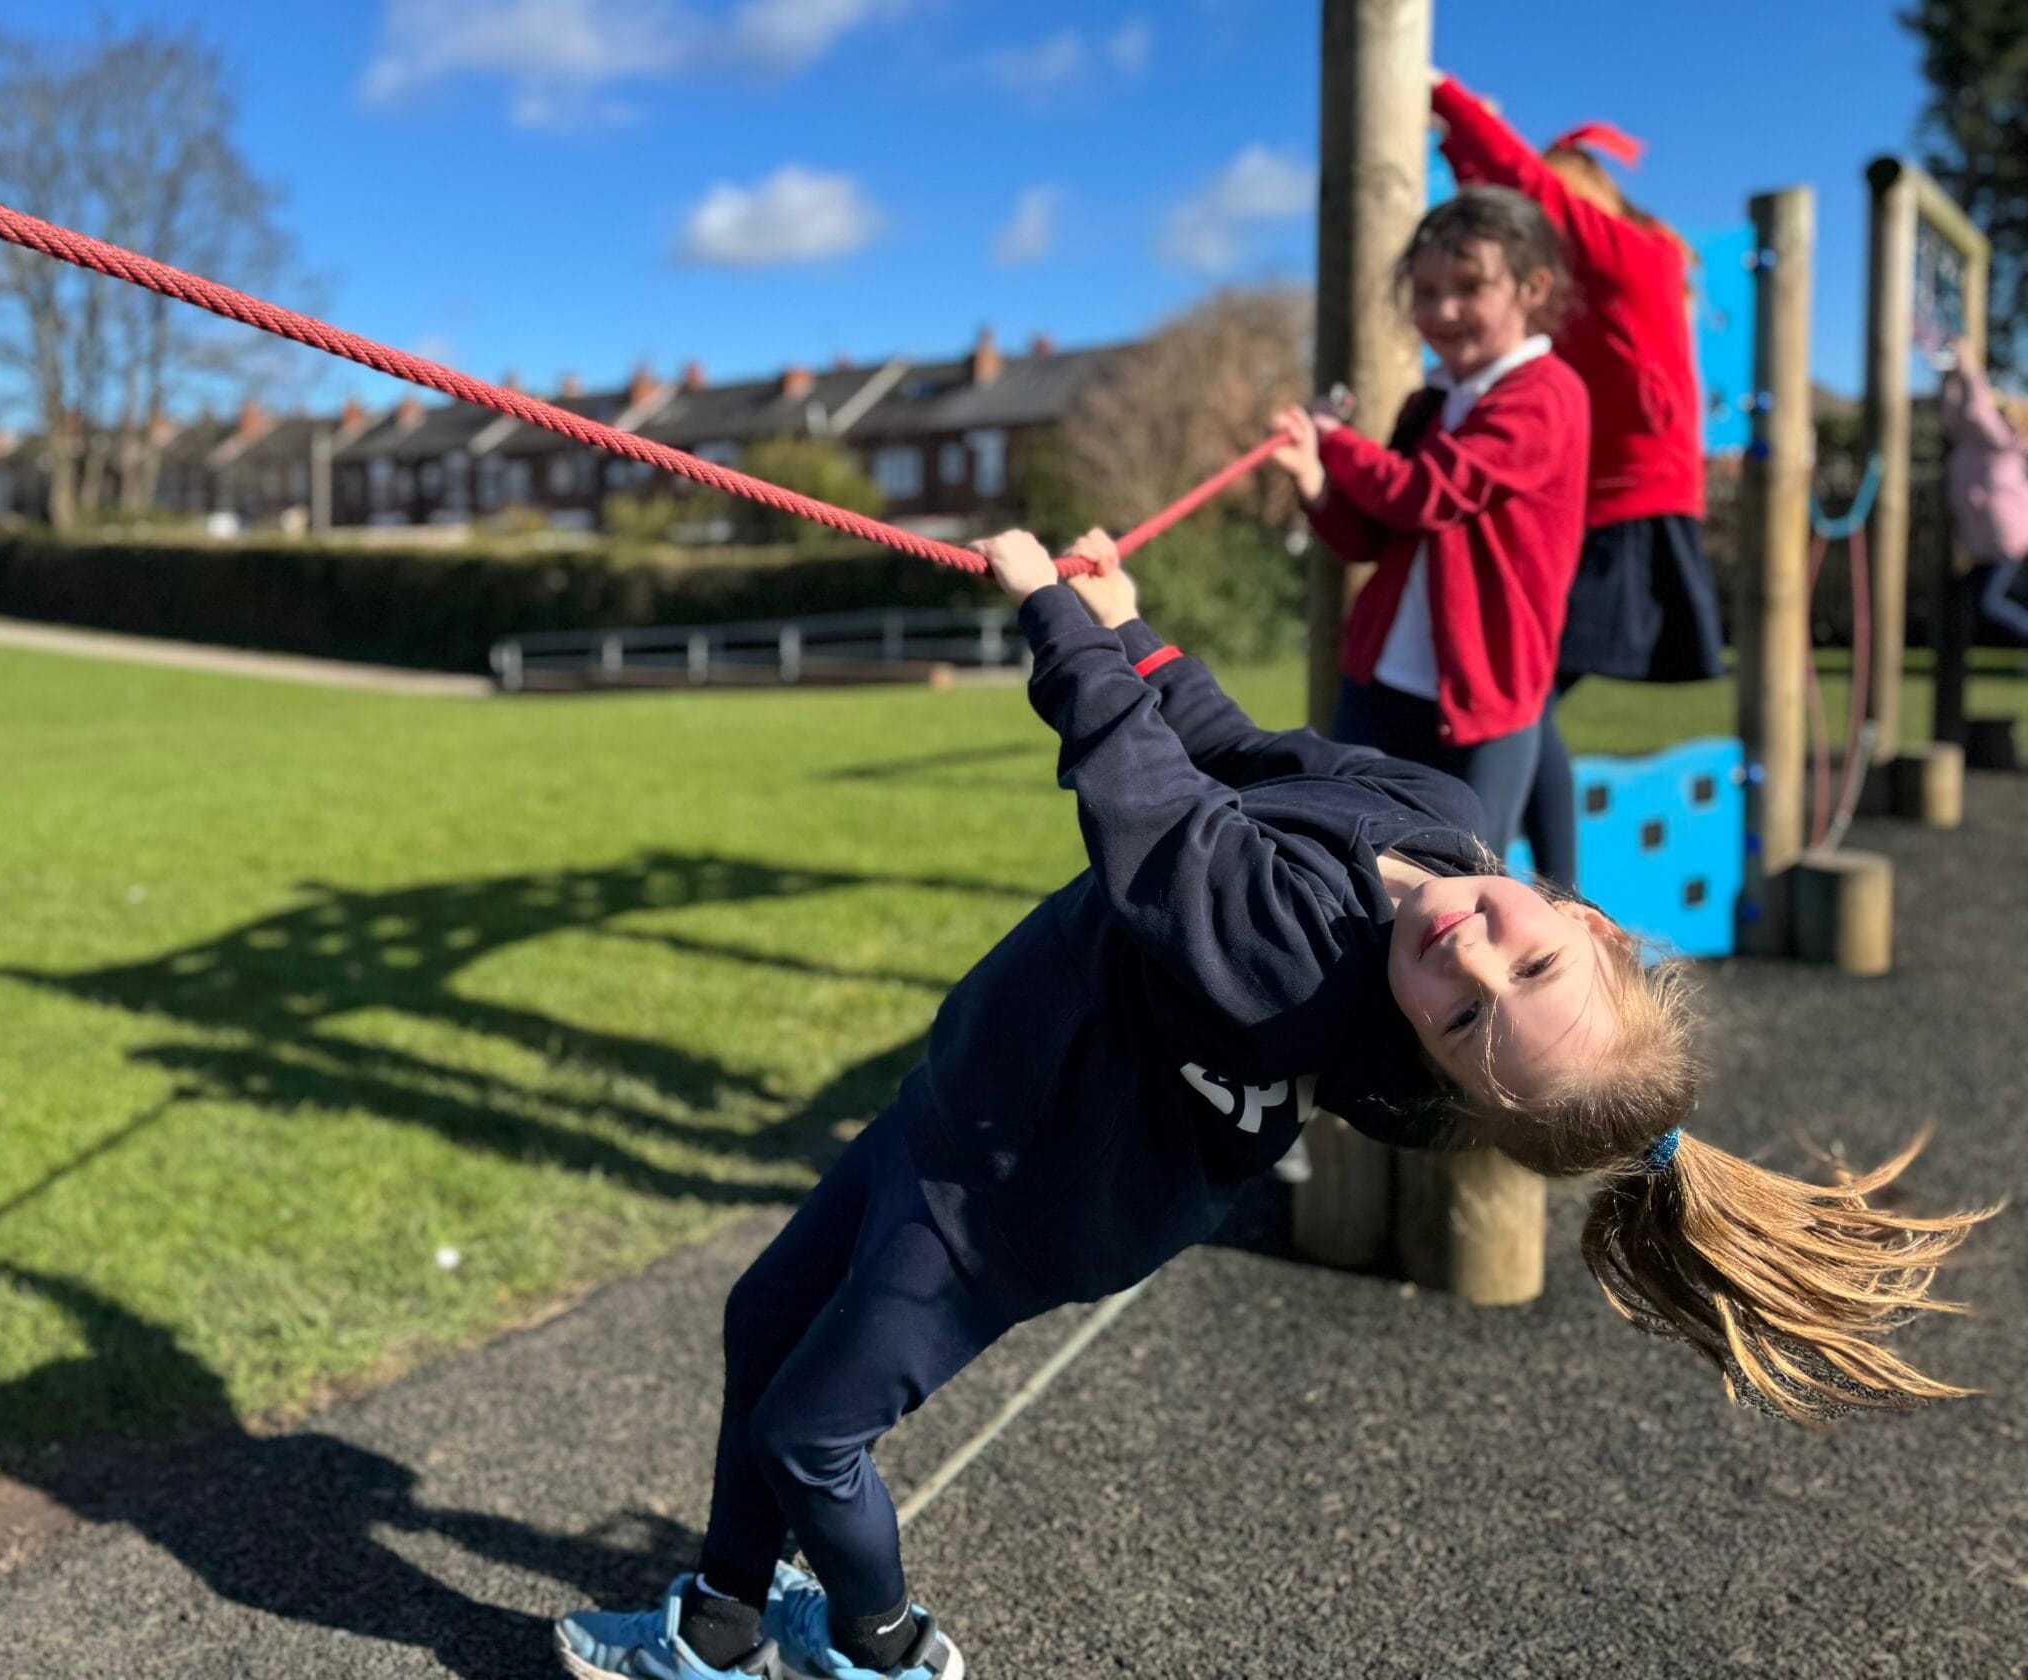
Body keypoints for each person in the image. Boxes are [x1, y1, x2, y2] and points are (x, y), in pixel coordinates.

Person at [553, 530, 1986, 1680]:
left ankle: (882, 1646)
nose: (1469, 958)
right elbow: (1240, 753)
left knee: (811, 1433)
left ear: (1431, 1058)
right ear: (1589, 917)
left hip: (1014, 1194)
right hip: (969, 1099)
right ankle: (722, 1623)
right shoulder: (1444, 828)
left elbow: (1152, 804)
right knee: (763, 1319)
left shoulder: (1295, 964)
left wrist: (1055, 617)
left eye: (1466, 1019)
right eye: (1531, 958)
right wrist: (1133, 625)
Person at [1429, 72, 1726, 888]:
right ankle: (1554, 888)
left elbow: (1526, 196)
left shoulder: (1634, 256)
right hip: (1595, 510)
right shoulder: (1583, 288)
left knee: (1519, 689)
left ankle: (1513, 880)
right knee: (1528, 692)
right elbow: (1504, 213)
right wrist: (1459, 148)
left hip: (1634, 511)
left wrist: (1447, 98)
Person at [1267, 185, 1588, 856]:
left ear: (1532, 288)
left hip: (1484, 693)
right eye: (1425, 292)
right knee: (1352, 857)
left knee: (1463, 872)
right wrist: (1316, 481)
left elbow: (1426, 493)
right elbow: (1372, 537)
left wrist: (1337, 441)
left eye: (1469, 288)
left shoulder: (1545, 394)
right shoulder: (1431, 402)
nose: (1442, 310)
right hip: (1382, 682)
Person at [1941, 333, 2028, 659]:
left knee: (1989, 603)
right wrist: (1954, 380)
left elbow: (1977, 411)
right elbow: (1955, 417)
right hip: (1986, 543)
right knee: (1973, 599)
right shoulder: (1975, 442)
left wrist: (1970, 368)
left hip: (2003, 540)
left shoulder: (2000, 441)